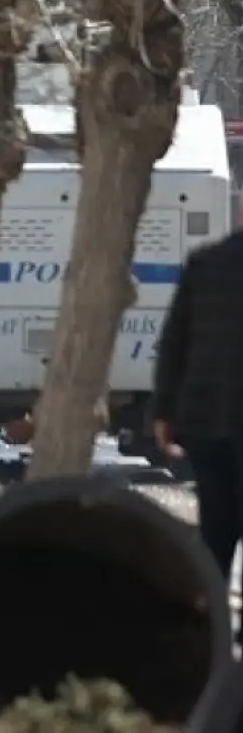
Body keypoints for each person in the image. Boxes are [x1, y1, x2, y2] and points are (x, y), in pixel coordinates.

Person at [152, 228, 243, 634]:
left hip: (208, 416)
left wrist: (164, 411)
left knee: (217, 529)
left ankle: (209, 627)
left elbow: (174, 340)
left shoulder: (206, 262)